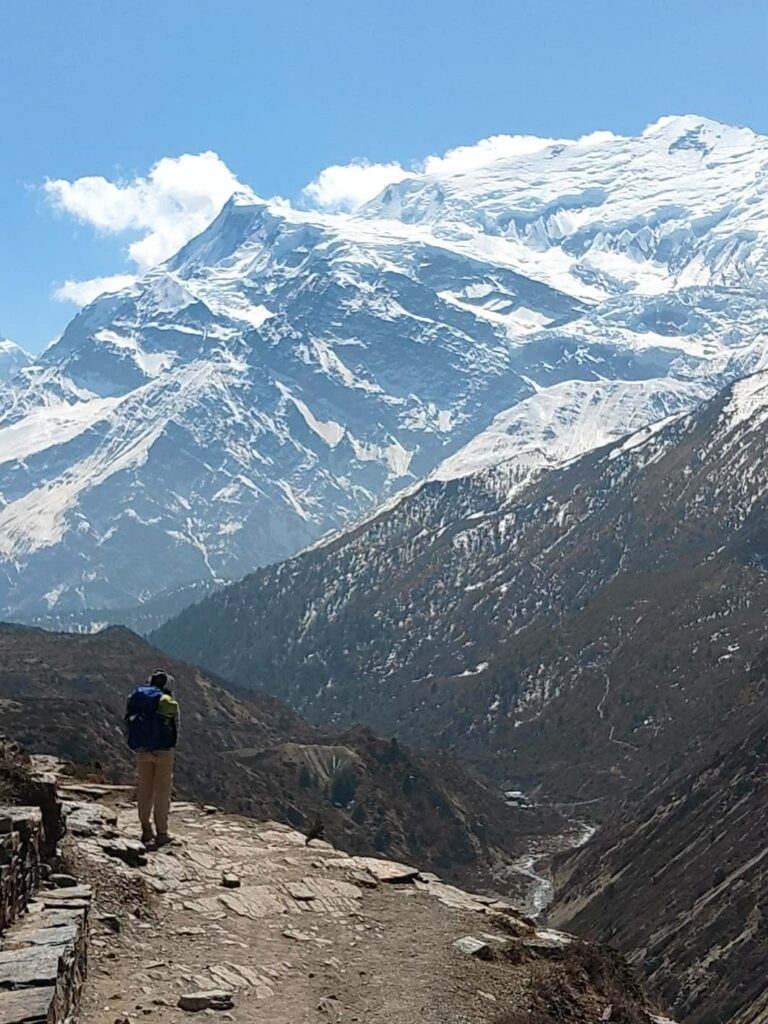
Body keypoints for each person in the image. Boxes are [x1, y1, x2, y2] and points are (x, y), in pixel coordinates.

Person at [124, 670, 180, 847]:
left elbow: (127, 721)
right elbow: (176, 726)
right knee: (162, 792)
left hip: (142, 749)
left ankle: (146, 830)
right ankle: (162, 832)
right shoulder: (167, 701)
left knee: (144, 789)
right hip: (164, 750)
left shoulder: (137, 698)